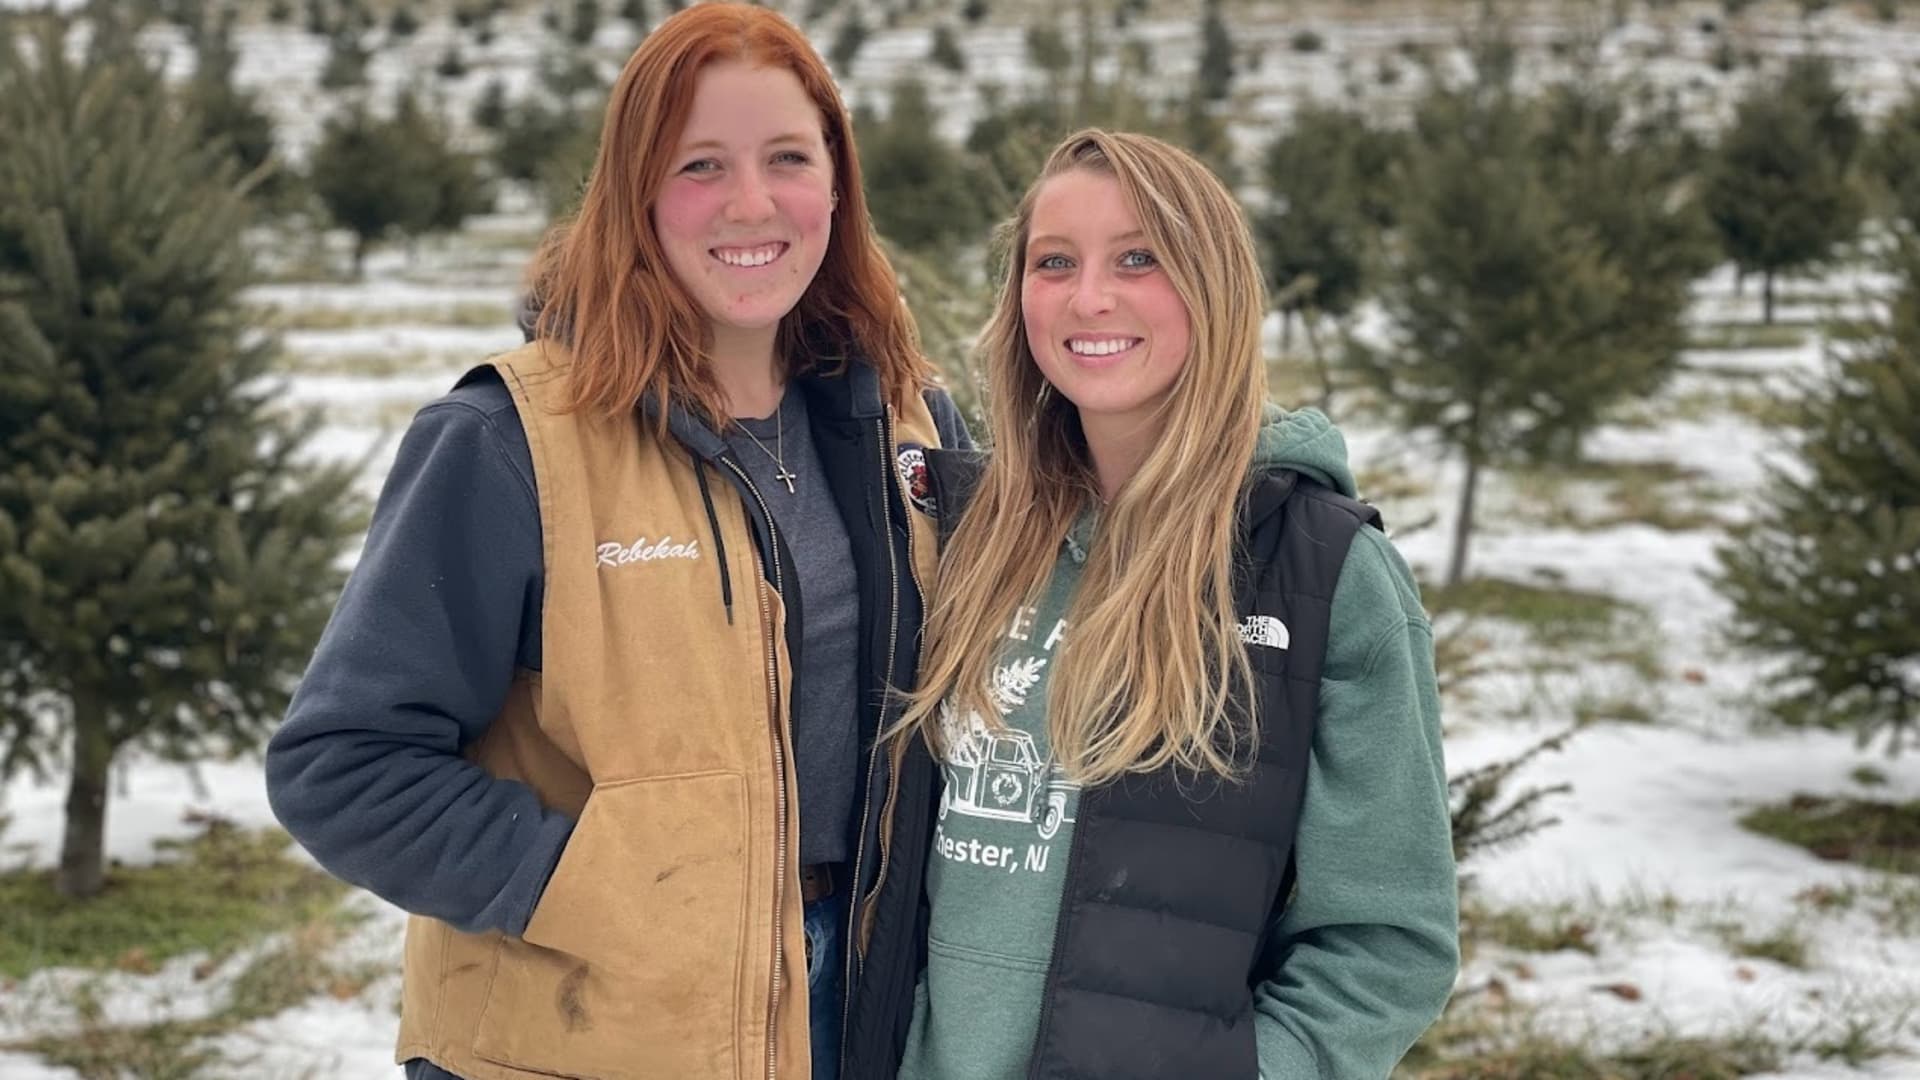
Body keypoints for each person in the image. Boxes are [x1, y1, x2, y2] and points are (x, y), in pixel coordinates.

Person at [263, 5, 969, 1079]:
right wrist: (593, 890)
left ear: (836, 183)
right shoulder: (507, 445)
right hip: (592, 1025)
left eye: (788, 157)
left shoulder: (907, 424)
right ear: (636, 193)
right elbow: (342, 763)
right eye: (700, 165)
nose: (751, 203)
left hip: (857, 1008)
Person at [894, 130, 1459, 1080]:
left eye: (1139, 258)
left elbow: (1388, 943)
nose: (1089, 298)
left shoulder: (1322, 573)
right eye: (1054, 262)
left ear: (1215, 285)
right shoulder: (969, 537)